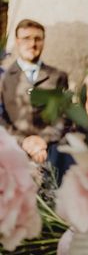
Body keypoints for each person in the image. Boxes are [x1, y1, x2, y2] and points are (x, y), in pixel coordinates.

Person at [0, 19, 68, 164]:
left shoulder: (58, 77)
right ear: (17, 41)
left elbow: (63, 116)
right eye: (26, 39)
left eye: (38, 39)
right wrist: (23, 142)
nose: (32, 44)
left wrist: (43, 140)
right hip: (12, 154)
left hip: (50, 153)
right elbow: (1, 119)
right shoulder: (3, 78)